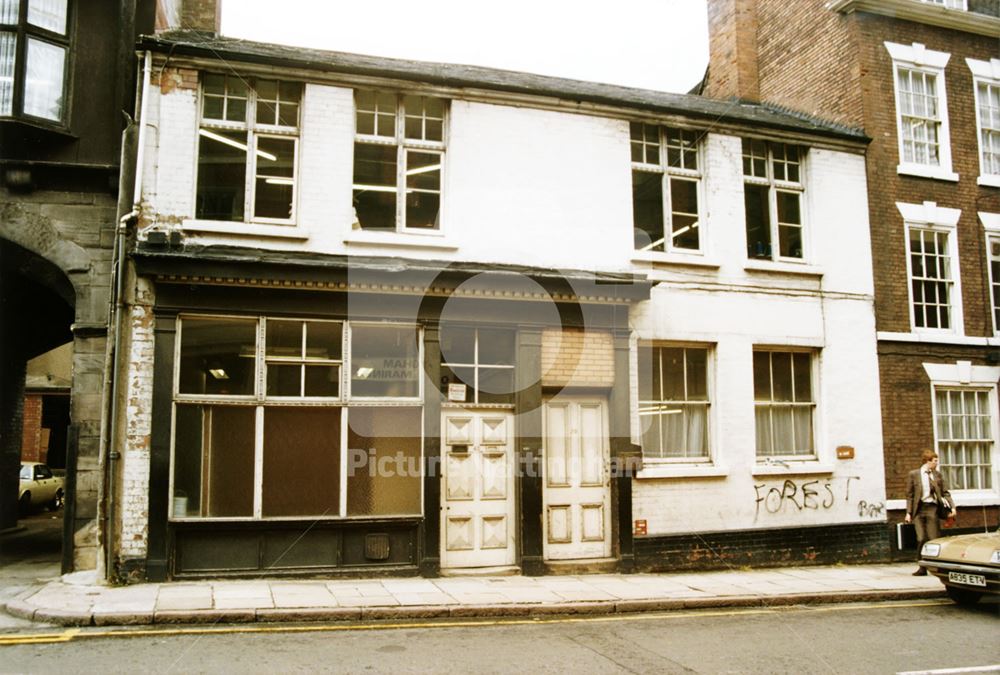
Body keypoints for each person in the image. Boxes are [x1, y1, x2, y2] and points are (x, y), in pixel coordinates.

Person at [904, 449, 956, 576]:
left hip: (932, 508)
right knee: (921, 538)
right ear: (927, 461)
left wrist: (953, 508)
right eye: (935, 461)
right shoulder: (914, 474)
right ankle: (922, 567)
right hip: (918, 510)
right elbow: (909, 495)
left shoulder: (937, 475)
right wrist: (908, 513)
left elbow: (945, 493)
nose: (936, 463)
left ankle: (936, 566)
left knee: (934, 538)